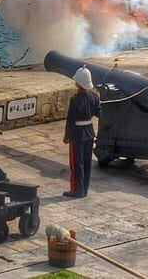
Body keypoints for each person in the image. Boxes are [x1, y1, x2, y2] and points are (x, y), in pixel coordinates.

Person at [63, 66, 100, 199]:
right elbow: (98, 112)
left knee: (76, 163)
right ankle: (84, 189)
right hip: (89, 132)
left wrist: (67, 136)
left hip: (77, 134)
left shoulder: (75, 99)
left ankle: (76, 190)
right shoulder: (94, 97)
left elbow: (71, 120)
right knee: (87, 162)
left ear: (78, 82)